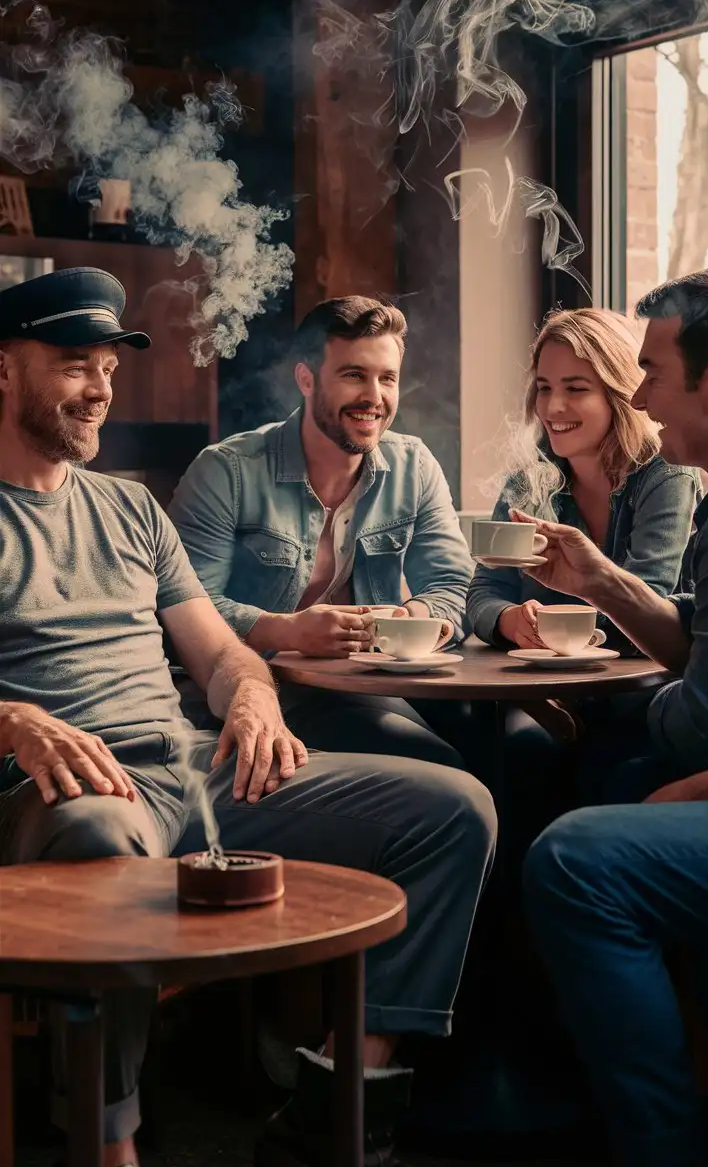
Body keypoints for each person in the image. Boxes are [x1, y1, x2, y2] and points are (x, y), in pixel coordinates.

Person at [0, 268, 497, 1167]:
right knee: (102, 839)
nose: (102, 387)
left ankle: (337, 1096)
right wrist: (16, 722)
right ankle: (111, 1143)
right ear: (3, 370)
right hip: (71, 789)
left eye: (108, 366)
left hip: (196, 766)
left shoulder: (129, 508)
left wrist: (257, 697)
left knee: (455, 808)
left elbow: (218, 650)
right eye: (75, 365)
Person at [521, 268, 708, 1167]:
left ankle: (659, 1147)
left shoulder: (683, 492)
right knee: (591, 776)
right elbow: (700, 654)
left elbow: (697, 722)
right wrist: (601, 581)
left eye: (651, 372)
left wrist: (680, 744)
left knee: (575, 855)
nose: (640, 395)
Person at [168, 295, 475, 768]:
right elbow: (183, 609)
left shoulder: (414, 465)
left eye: (387, 378)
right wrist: (286, 630)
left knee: (511, 748)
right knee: (439, 760)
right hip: (250, 690)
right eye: (354, 375)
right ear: (306, 379)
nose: (375, 397)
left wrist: (407, 618)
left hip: (361, 687)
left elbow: (454, 586)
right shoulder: (225, 471)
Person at [466, 308, 701, 848]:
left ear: (619, 393)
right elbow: (483, 591)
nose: (553, 407)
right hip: (549, 701)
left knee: (599, 771)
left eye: (576, 388)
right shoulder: (531, 480)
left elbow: (651, 599)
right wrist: (507, 621)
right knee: (494, 757)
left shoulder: (665, 475)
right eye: (544, 388)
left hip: (639, 704)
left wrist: (558, 627)